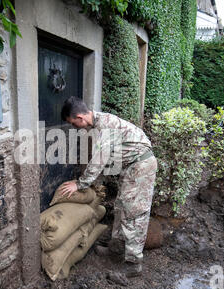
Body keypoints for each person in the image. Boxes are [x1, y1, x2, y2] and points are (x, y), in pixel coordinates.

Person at [58, 96, 157, 277]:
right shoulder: (100, 123)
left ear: (80, 118)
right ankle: (116, 248)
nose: (74, 128)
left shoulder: (105, 126)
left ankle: (134, 264)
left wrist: (80, 184)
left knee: (133, 213)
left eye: (73, 124)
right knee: (121, 207)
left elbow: (98, 161)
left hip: (140, 167)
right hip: (131, 167)